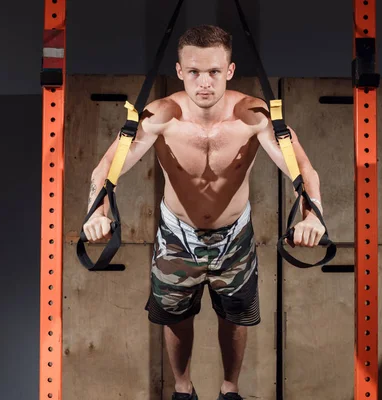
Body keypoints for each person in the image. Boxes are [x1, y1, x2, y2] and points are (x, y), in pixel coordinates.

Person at [82, 25, 326, 400]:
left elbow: (303, 170)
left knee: (235, 318)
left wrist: (313, 216)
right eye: (194, 72)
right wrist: (95, 214)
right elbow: (106, 170)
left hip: (235, 235)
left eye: (214, 71)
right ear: (180, 70)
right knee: (175, 317)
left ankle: (230, 390)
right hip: (178, 235)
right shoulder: (160, 116)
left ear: (229, 70)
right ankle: (183, 390)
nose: (204, 83)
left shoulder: (254, 115)